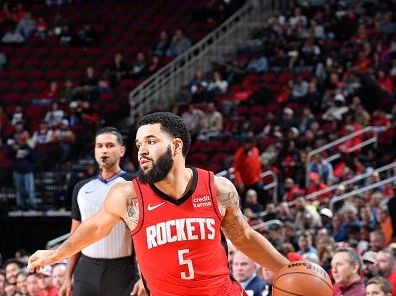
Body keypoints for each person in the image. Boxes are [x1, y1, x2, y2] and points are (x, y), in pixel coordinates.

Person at [28, 112, 289, 296]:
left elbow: (243, 236)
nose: (141, 150)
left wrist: (285, 269)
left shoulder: (218, 189)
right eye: (139, 144)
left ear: (175, 146)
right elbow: (94, 228)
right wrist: (55, 254)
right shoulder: (127, 195)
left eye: (151, 142)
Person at [58, 127, 144, 296]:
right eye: (100, 146)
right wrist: (67, 277)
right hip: (86, 269)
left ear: (121, 150)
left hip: (123, 270)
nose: (104, 150)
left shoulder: (135, 183)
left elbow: (143, 233)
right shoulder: (81, 188)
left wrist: (144, 276)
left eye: (110, 145)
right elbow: (75, 235)